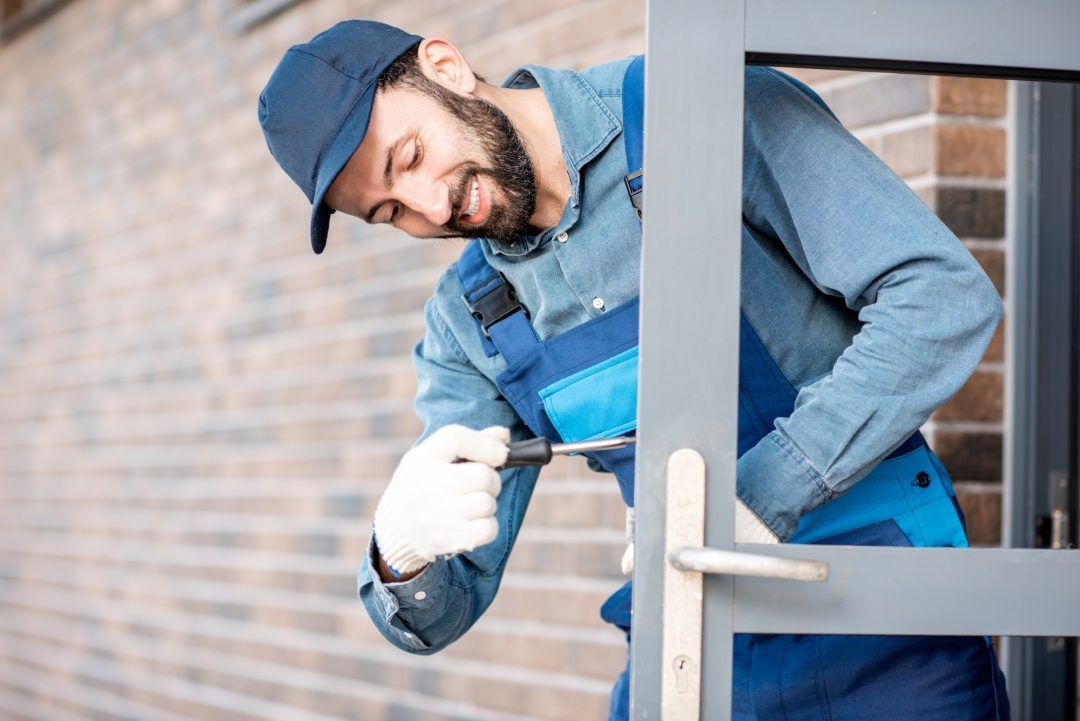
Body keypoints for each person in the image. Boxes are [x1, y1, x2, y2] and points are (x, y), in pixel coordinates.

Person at [258, 19, 1011, 721]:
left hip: (887, 631)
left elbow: (940, 299)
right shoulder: (471, 317)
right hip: (688, 655)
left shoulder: (706, 112)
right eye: (390, 212)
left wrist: (758, 496)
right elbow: (445, 606)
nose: (429, 204)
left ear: (447, 68)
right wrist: (400, 554)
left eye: (411, 158)